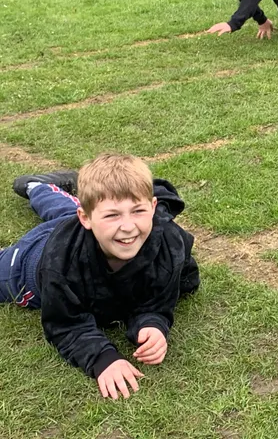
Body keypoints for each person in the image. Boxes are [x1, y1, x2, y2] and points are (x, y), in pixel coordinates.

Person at [0, 155, 200, 400]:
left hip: (89, 231)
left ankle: (43, 187)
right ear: (85, 218)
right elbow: (66, 324)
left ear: (153, 205)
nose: (128, 226)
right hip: (32, 262)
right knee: (59, 220)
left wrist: (153, 324)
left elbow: (159, 295)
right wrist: (102, 359)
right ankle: (36, 187)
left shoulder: (167, 241)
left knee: (65, 211)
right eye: (113, 215)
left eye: (138, 210)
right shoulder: (60, 265)